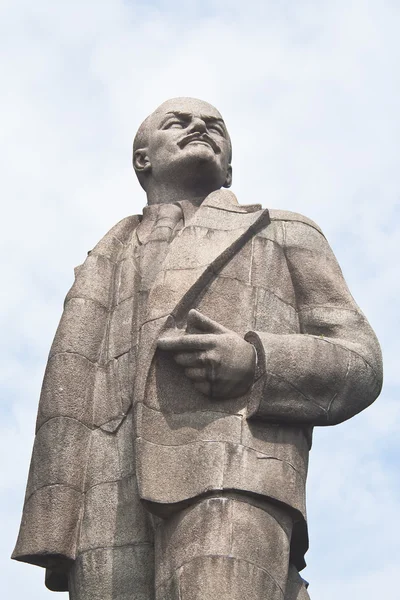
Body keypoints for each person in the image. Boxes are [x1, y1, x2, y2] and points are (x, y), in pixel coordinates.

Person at [13, 98, 383, 600]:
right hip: (102, 498)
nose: (199, 128)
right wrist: (56, 522)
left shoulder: (283, 230)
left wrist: (256, 363)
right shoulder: (104, 258)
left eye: (215, 126)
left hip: (233, 472)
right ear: (143, 158)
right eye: (178, 122)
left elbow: (359, 360)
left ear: (229, 167)